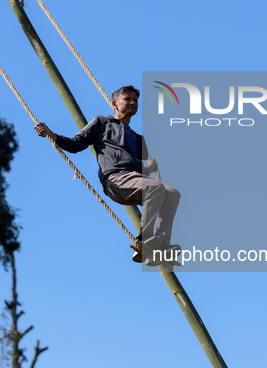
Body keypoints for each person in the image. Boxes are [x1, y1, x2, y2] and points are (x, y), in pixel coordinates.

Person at [34, 85, 180, 264]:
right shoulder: (102, 122)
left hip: (135, 181)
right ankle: (146, 240)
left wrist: (148, 169)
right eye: (127, 99)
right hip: (115, 179)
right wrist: (52, 134)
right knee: (154, 186)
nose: (133, 103)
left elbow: (136, 169)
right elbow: (75, 144)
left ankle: (162, 244)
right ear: (115, 104)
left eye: (135, 100)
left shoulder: (138, 138)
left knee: (172, 193)